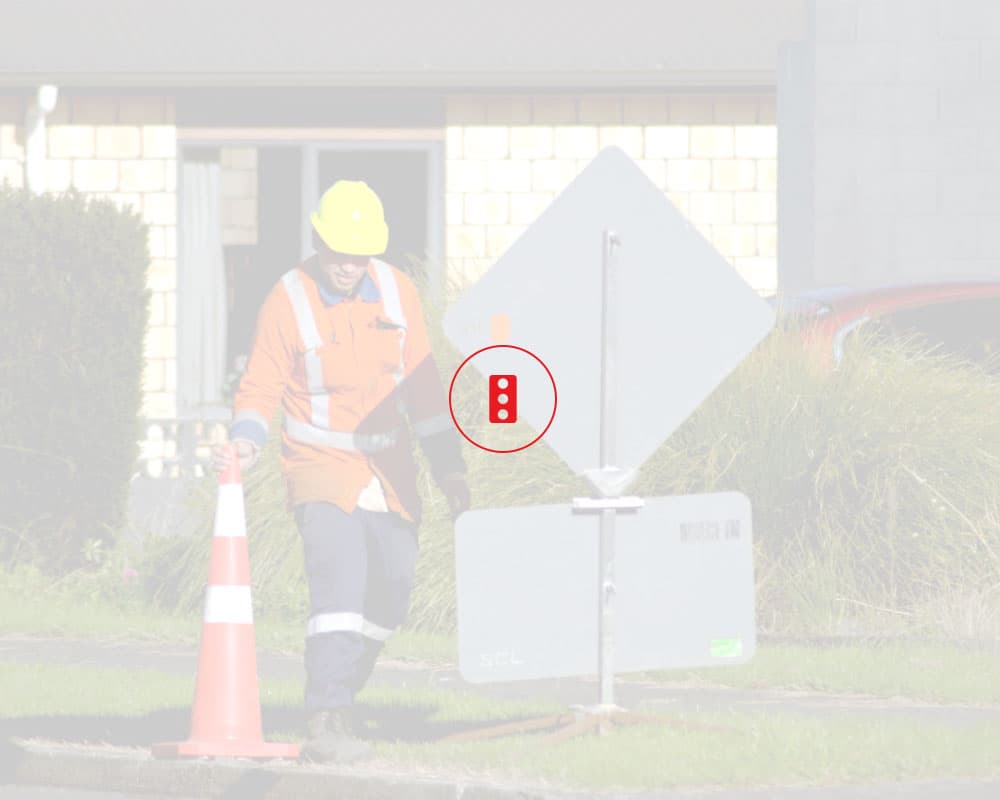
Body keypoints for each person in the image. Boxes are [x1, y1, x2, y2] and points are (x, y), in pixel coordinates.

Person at [212, 180, 469, 763]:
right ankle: (327, 714)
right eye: (339, 253)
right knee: (340, 583)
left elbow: (425, 391)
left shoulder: (398, 293)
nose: (349, 266)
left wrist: (450, 469)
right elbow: (260, 384)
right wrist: (247, 440)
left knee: (393, 588)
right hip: (320, 467)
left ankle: (344, 688)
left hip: (391, 471)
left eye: (360, 254)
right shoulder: (288, 299)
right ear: (318, 241)